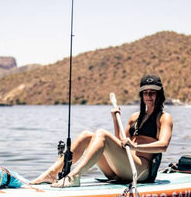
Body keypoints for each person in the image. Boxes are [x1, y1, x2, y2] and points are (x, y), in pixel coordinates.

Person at [31, 74, 173, 188]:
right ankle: (52, 173)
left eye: (152, 93)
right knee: (87, 135)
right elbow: (120, 142)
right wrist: (115, 119)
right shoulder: (135, 117)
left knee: (102, 134)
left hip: (140, 171)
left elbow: (163, 146)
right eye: (145, 93)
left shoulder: (164, 118)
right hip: (121, 168)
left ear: (159, 94)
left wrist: (135, 146)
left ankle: (74, 176)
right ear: (141, 95)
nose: (149, 96)